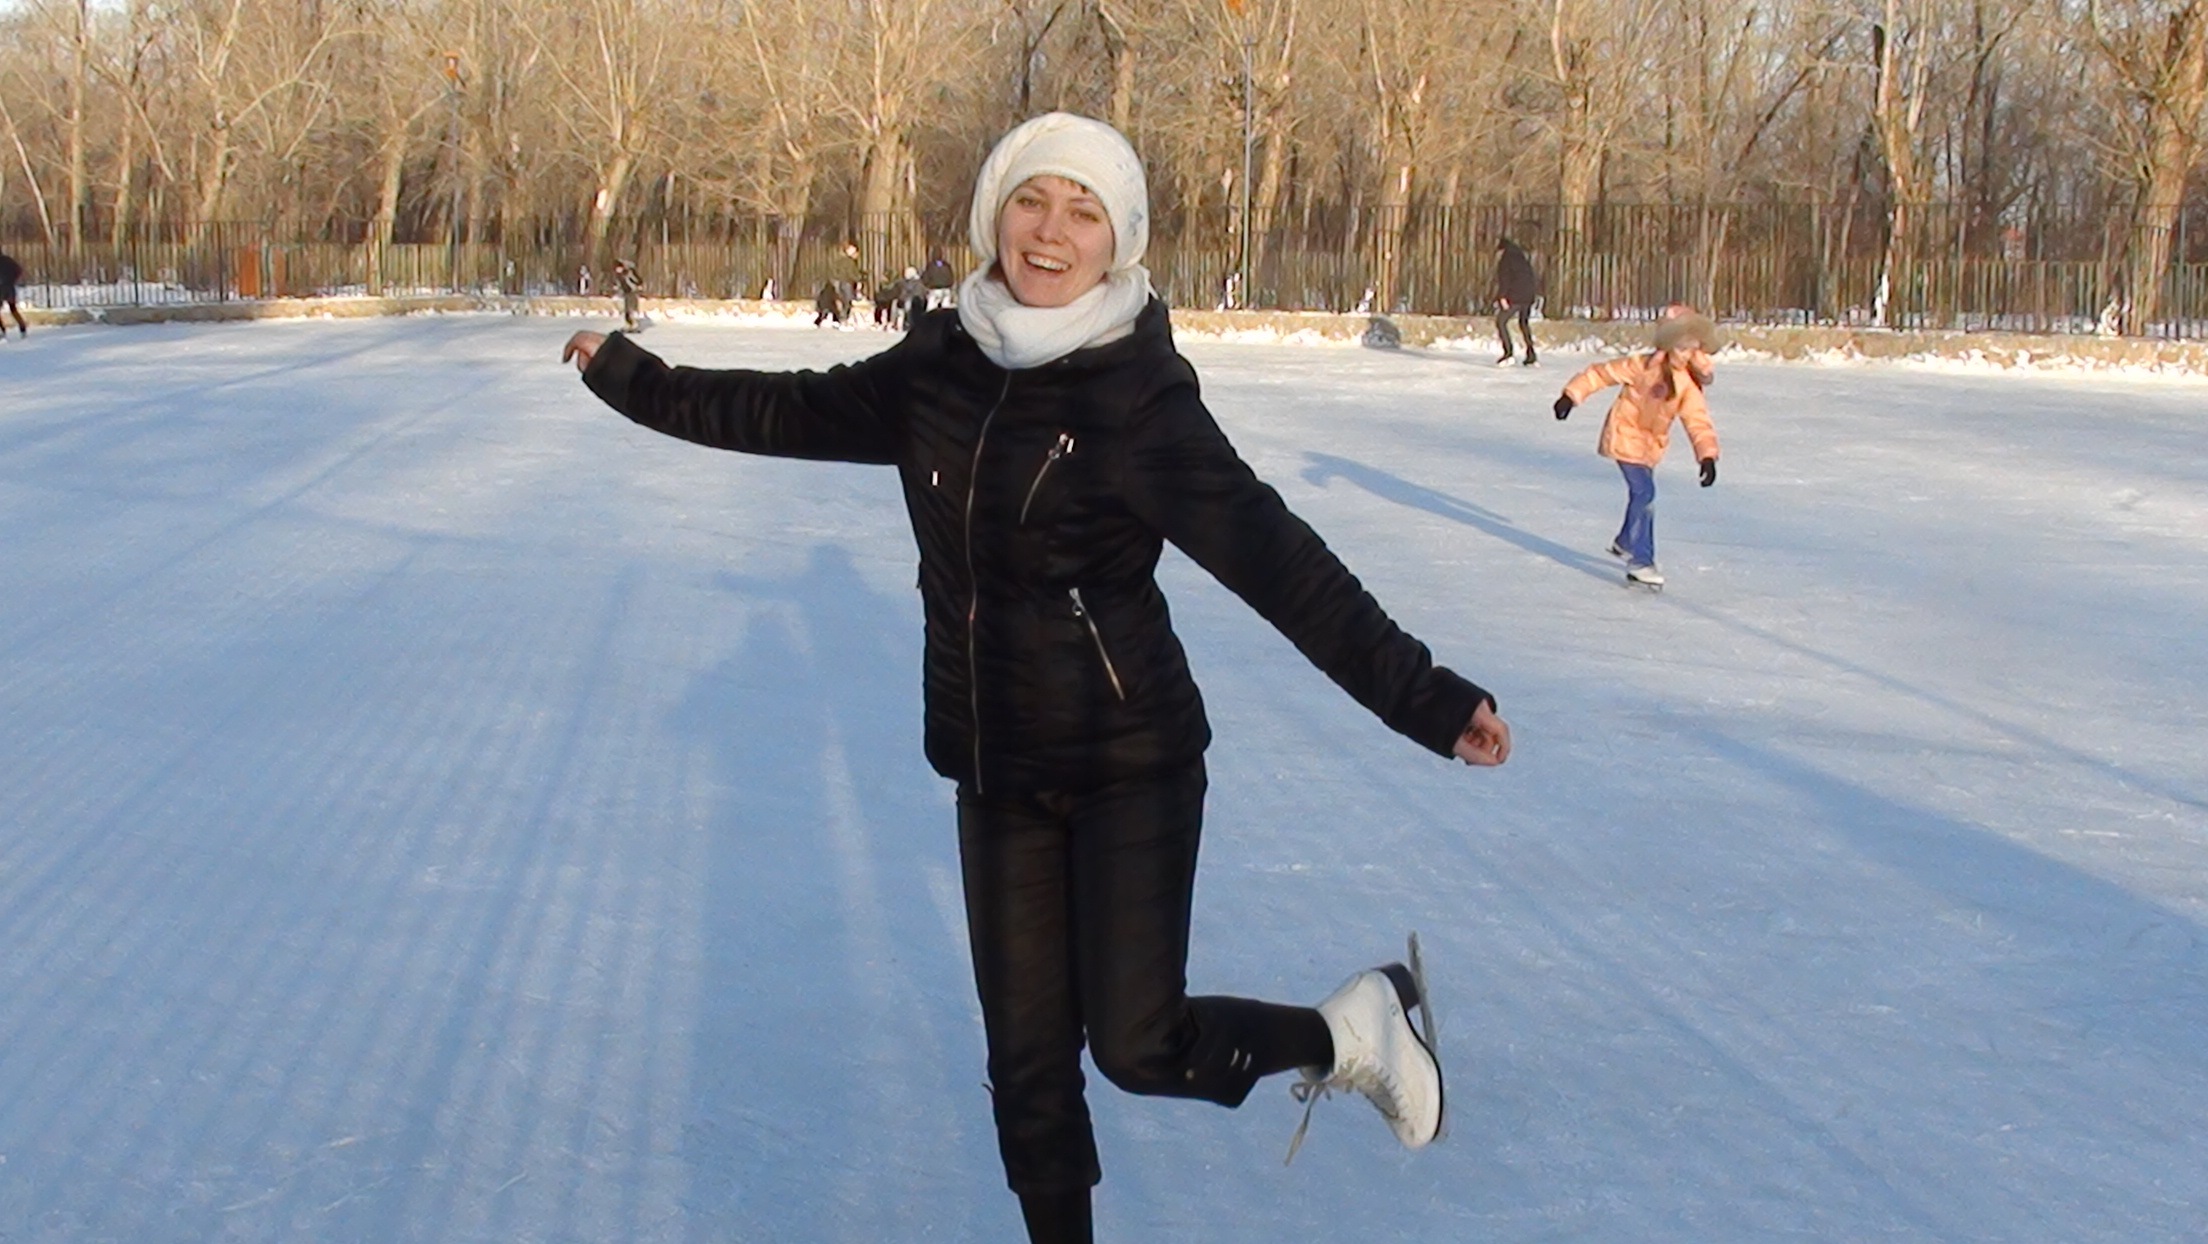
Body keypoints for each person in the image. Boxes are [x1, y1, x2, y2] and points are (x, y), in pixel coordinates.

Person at [560, 112, 1511, 1244]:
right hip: (995, 766)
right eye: (1031, 199)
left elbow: (1283, 566)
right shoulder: (939, 364)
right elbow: (783, 409)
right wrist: (632, 378)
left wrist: (1429, 699)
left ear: (1119, 241)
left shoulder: (1137, 398)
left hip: (1129, 763)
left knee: (1139, 1045)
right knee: (1025, 1070)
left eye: (1083, 211)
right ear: (994, 213)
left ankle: (1347, 1033)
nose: (1051, 231)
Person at [1550, 306, 1722, 589]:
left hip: (1650, 447)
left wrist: (1707, 457)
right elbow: (1601, 374)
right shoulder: (1642, 367)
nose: (1685, 354)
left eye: (1691, 348)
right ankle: (1641, 561)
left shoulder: (1687, 384)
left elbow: (1698, 421)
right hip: (1625, 435)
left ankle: (1625, 541)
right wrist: (1571, 396)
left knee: (1641, 495)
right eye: (1681, 347)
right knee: (1644, 492)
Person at [1491, 236, 1540, 365]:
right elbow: (1529, 277)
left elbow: (1505, 278)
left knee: (1501, 322)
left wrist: (1502, 296)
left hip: (1515, 296)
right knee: (1523, 323)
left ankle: (1508, 353)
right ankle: (1531, 355)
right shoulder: (1521, 257)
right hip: (1528, 296)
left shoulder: (1506, 259)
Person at [611, 259, 643, 330]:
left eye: (618, 268)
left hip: (632, 291)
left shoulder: (629, 272)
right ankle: (628, 324)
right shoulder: (619, 275)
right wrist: (617, 287)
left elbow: (637, 280)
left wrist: (638, 285)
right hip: (625, 293)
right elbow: (619, 283)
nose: (617, 270)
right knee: (626, 310)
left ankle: (634, 324)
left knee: (631, 308)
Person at [0, 251, 23, 338]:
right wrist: (12, 280)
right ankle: (22, 327)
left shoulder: (6, 260)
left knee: (12, 308)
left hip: (3, 287)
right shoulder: (8, 260)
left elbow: (18, 270)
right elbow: (18, 270)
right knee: (13, 309)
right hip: (9, 287)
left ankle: (2, 330)